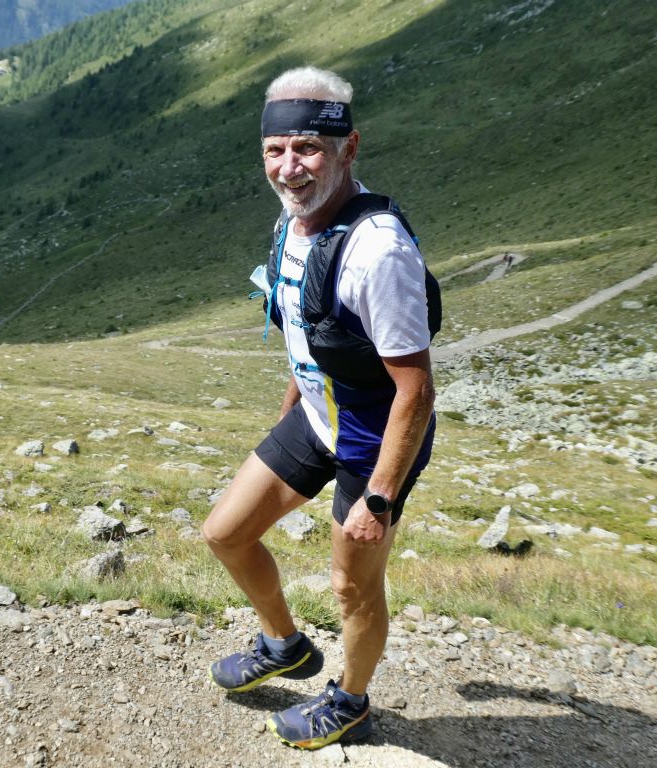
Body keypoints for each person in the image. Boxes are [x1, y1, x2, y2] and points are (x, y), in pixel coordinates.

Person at [202, 66, 438, 751]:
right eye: (275, 150)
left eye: (307, 148)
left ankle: (351, 702)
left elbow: (416, 390)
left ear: (348, 148)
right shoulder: (293, 222)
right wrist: (291, 411)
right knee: (225, 533)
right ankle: (284, 645)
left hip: (374, 439)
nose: (289, 167)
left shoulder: (378, 251)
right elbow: (307, 334)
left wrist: (379, 498)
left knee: (351, 587)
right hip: (316, 415)